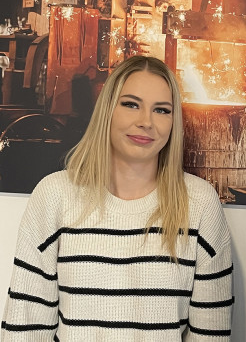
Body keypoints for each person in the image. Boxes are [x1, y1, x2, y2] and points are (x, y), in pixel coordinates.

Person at [1, 56, 233, 341]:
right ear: (107, 110)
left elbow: (210, 333)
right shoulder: (54, 196)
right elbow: (25, 327)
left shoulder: (199, 204)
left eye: (161, 110)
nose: (145, 122)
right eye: (131, 104)